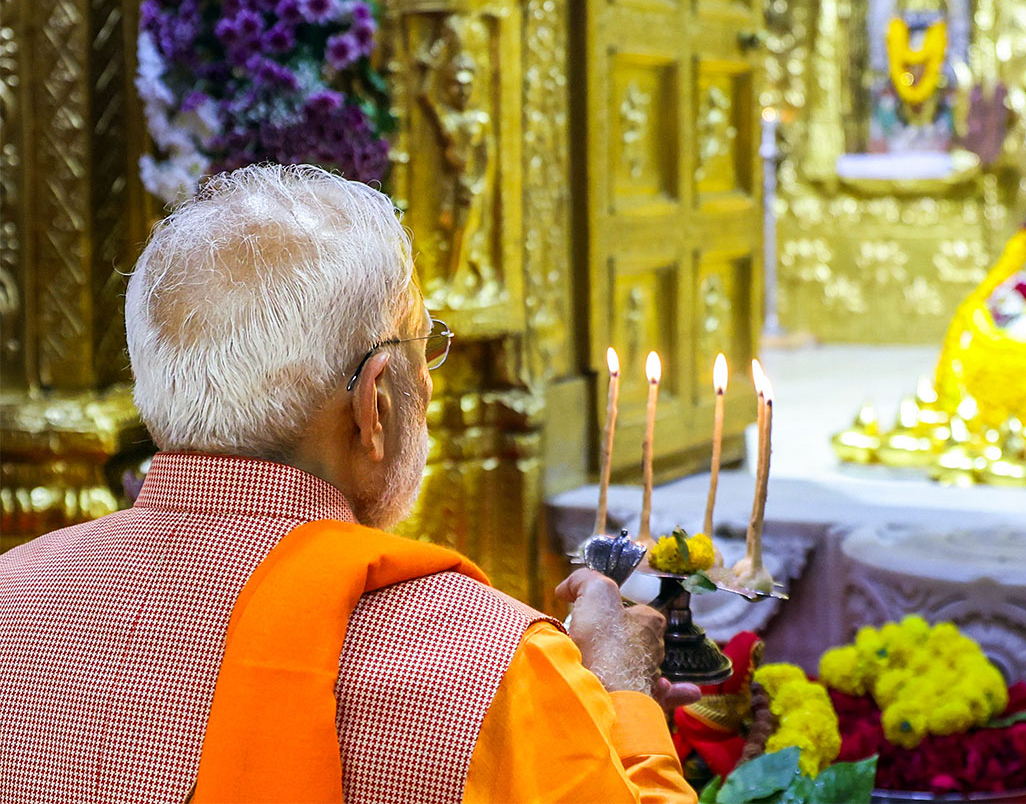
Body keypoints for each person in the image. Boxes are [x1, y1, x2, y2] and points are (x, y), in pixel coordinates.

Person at [0, 164, 697, 804]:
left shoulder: (11, 597)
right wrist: (621, 693)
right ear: (375, 406)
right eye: (424, 348)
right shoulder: (491, 667)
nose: (427, 378)